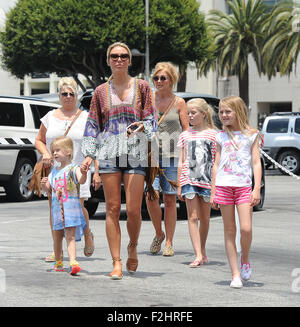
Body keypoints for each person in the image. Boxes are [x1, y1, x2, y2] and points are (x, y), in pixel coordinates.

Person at [81, 42, 157, 280]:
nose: (119, 59)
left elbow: (152, 120)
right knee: (112, 208)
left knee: (134, 210)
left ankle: (132, 246)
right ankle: (116, 261)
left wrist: (142, 126)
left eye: (124, 56)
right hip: (109, 153)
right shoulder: (100, 92)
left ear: (129, 60)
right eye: (114, 56)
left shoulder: (143, 87)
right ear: (108, 60)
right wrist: (88, 155)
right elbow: (93, 124)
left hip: (135, 152)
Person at [35, 77, 97, 262]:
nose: (68, 97)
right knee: (55, 209)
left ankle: (87, 234)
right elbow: (39, 139)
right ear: (59, 95)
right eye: (64, 93)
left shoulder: (86, 117)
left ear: (76, 96)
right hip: (55, 171)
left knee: (79, 206)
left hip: (77, 169)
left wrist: (88, 161)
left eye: (72, 93)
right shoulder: (50, 117)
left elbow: (93, 143)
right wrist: (45, 153)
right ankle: (58, 250)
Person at [210, 95, 262, 289]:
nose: (223, 115)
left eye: (227, 111)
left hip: (243, 187)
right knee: (230, 230)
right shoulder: (219, 136)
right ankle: (235, 274)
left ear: (238, 112)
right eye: (221, 112)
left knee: (246, 228)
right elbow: (216, 165)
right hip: (224, 186)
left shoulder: (252, 134)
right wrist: (213, 191)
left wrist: (256, 188)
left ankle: (245, 258)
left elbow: (256, 162)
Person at [146, 62, 189, 257]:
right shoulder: (148, 100)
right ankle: (158, 233)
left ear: (171, 80)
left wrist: (187, 158)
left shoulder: (179, 102)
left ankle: (169, 241)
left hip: (173, 156)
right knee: (150, 196)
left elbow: (186, 131)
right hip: (152, 156)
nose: (159, 81)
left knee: (170, 200)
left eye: (163, 78)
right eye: (156, 78)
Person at [177, 98, 217, 267]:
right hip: (189, 179)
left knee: (205, 218)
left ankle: (202, 249)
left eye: (193, 113)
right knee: (192, 217)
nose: (190, 116)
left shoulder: (214, 135)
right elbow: (181, 160)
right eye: (188, 113)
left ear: (203, 114)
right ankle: (198, 254)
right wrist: (179, 183)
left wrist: (216, 187)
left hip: (207, 180)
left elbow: (216, 161)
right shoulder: (185, 135)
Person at [41, 136, 88, 275]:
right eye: (53, 151)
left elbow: (81, 180)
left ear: (68, 152)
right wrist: (44, 185)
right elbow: (49, 190)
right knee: (57, 235)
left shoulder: (74, 168)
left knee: (70, 235)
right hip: (56, 209)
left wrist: (84, 173)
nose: (54, 153)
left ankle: (73, 261)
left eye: (57, 150)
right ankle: (59, 260)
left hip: (71, 208)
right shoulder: (53, 171)